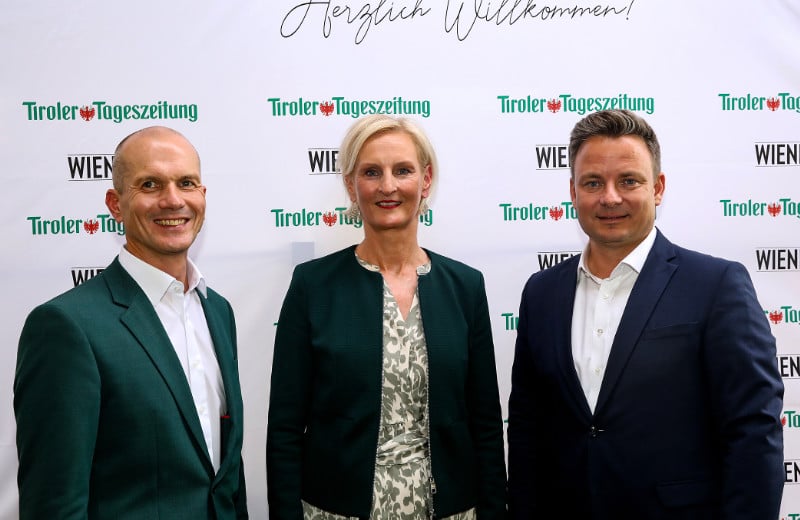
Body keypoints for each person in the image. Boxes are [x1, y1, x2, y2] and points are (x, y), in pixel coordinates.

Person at [507, 109, 784, 518]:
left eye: (628, 181)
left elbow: (753, 431)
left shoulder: (716, 285)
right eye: (593, 182)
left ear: (658, 188)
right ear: (573, 191)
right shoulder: (541, 293)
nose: (610, 198)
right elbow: (527, 429)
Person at [267, 114, 507, 519]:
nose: (388, 186)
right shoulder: (313, 286)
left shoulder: (465, 287)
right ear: (351, 185)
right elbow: (285, 429)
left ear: (426, 180)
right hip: (336, 511)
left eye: (403, 171)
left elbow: (485, 424)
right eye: (371, 172)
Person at [14, 126, 248, 519]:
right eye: (150, 185)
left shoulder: (218, 311)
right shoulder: (67, 326)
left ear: (202, 196)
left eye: (186, 183)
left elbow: (224, 476)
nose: (173, 200)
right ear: (115, 204)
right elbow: (54, 503)